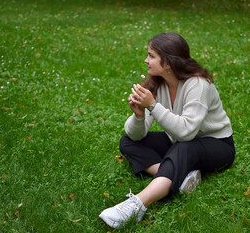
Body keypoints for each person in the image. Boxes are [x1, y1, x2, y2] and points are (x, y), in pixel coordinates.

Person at [99, 32, 235, 228]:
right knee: (127, 142)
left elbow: (186, 132)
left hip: (218, 145)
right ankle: (181, 180)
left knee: (184, 147)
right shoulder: (157, 83)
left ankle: (136, 205)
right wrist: (139, 116)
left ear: (168, 62)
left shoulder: (198, 85)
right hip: (179, 142)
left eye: (151, 56)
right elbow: (136, 134)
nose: (146, 60)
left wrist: (153, 105)